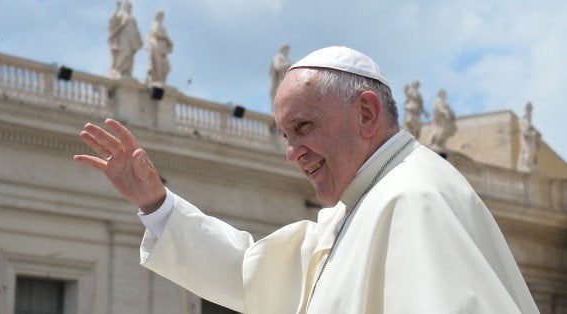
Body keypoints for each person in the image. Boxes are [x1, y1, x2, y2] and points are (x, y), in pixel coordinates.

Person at [74, 46, 538, 313]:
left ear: (367, 113)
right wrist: (156, 204)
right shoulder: (354, 211)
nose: (293, 153)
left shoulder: (413, 199)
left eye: (304, 128)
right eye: (285, 135)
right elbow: (250, 273)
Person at [107, 1, 143, 80]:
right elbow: (113, 20)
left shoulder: (133, 19)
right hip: (123, 37)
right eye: (127, 6)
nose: (129, 7)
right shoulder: (121, 14)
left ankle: (126, 73)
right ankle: (117, 69)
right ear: (125, 7)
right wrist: (117, 9)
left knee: (130, 56)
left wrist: (139, 39)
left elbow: (136, 30)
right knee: (124, 52)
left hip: (132, 39)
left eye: (130, 6)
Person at [146, 10, 173, 84]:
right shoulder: (155, 24)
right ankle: (158, 80)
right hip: (156, 45)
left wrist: (168, 43)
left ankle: (161, 80)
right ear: (157, 15)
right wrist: (166, 38)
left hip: (162, 47)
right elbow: (155, 33)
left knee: (167, 66)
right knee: (158, 64)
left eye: (162, 15)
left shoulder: (161, 25)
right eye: (160, 15)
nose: (161, 17)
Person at [517, 102, 541, 173]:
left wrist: (537, 133)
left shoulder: (529, 121)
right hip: (526, 140)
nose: (530, 112)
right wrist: (531, 134)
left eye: (531, 110)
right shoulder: (522, 120)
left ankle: (530, 165)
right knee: (527, 151)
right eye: (529, 110)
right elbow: (524, 131)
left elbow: (532, 129)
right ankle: (525, 165)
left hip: (532, 140)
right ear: (526, 110)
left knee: (532, 152)